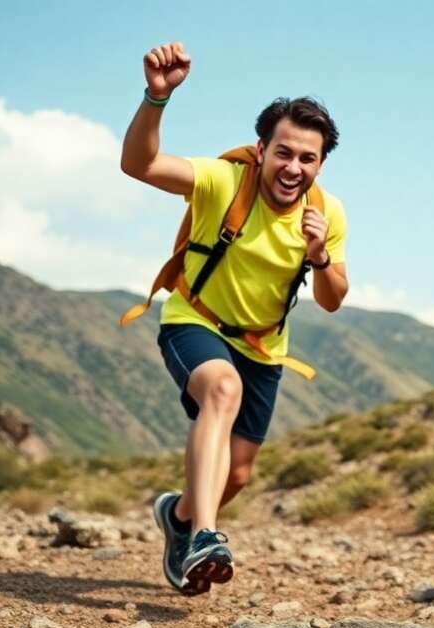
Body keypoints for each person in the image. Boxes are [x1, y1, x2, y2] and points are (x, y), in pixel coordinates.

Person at [119, 41, 349, 596]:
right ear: (262, 148)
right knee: (220, 389)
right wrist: (156, 98)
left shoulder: (327, 213)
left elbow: (334, 296)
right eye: (284, 153)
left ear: (319, 164)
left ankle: (179, 519)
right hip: (194, 321)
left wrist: (319, 255)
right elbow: (139, 164)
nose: (293, 167)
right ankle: (203, 535)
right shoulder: (223, 181)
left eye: (307, 158)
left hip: (262, 348)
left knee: (238, 474)